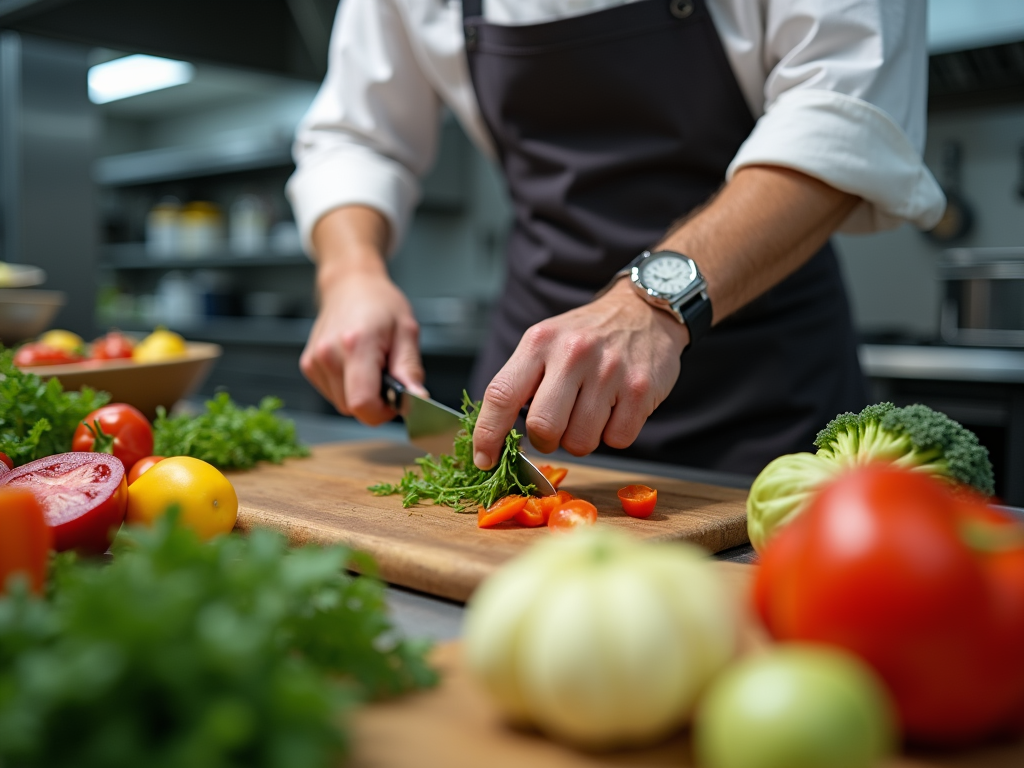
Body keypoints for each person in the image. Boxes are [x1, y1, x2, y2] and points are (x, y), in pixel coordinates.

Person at [288, 0, 944, 476]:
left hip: (765, 398)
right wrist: (349, 274)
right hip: (530, 393)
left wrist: (652, 302)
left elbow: (843, 114)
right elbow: (356, 136)